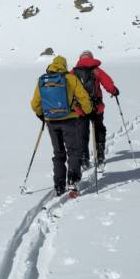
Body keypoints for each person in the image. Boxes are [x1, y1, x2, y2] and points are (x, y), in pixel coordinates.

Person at [30, 55, 94, 197]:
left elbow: (34, 104)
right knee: (73, 151)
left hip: (51, 122)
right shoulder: (70, 78)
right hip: (70, 120)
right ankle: (72, 180)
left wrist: (42, 115)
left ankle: (59, 184)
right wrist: (88, 111)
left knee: (58, 153)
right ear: (64, 66)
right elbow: (83, 96)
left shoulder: (43, 80)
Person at [72, 51, 119, 170]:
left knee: (82, 132)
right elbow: (107, 83)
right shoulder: (96, 70)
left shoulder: (74, 72)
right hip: (97, 107)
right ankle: (100, 155)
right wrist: (114, 91)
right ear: (91, 58)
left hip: (80, 109)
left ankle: (84, 157)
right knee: (99, 129)